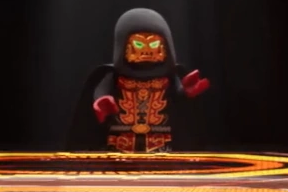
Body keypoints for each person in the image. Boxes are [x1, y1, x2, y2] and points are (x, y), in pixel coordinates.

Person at [74, 8, 210, 154]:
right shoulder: (111, 76)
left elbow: (180, 99)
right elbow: (101, 91)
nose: (146, 51)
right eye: (139, 44)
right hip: (119, 148)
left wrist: (186, 93)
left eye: (153, 44)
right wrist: (101, 100)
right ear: (124, 45)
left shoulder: (171, 76)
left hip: (162, 148)